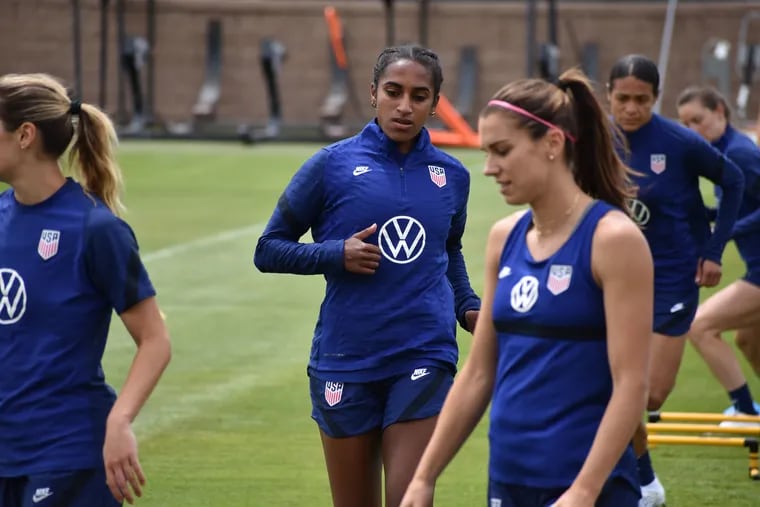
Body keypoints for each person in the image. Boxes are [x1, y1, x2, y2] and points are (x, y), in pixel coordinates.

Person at [400, 68, 653, 507]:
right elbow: (479, 373)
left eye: (502, 151)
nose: (489, 168)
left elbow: (632, 384)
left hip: (588, 489)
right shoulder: (504, 238)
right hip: (509, 483)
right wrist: (423, 479)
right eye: (486, 152)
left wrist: (583, 491)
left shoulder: (613, 240)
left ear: (552, 143)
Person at [253, 45, 481, 507]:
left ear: (435, 103)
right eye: (394, 92)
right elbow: (268, 249)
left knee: (408, 498)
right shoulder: (331, 165)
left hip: (423, 351)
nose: (405, 106)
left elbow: (448, 248)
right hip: (346, 355)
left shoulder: (452, 175)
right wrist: (335, 254)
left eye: (420, 96)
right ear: (373, 93)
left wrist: (466, 304)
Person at [0, 73, 171, 506]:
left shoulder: (95, 229)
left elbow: (155, 339)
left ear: (24, 135)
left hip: (68, 452)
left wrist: (120, 421)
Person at [606, 54, 745, 507]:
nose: (630, 108)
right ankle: (643, 482)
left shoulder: (679, 142)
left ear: (655, 98)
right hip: (613, 276)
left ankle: (636, 476)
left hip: (672, 275)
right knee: (609, 385)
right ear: (609, 95)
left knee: (650, 395)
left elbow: (735, 180)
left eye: (641, 100)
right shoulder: (596, 140)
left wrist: (712, 250)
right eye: (622, 98)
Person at [676, 85, 760, 417]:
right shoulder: (721, 153)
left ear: (720, 113)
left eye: (697, 120)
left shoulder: (739, 154)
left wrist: (724, 233)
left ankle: (744, 411)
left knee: (699, 326)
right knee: (749, 341)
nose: (691, 130)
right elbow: (739, 206)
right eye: (685, 124)